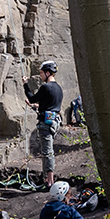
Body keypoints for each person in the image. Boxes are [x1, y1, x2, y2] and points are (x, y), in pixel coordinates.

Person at [24, 59, 63, 189]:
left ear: (47, 73)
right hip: (54, 122)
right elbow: (49, 106)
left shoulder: (46, 87)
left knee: (47, 151)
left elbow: (32, 97)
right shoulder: (58, 88)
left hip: (46, 124)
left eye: (41, 73)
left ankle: (50, 181)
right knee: (47, 150)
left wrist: (25, 84)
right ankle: (47, 178)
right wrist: (35, 106)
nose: (40, 75)